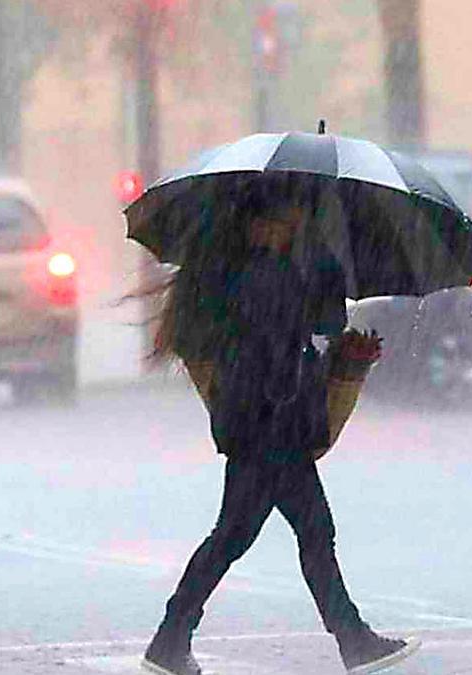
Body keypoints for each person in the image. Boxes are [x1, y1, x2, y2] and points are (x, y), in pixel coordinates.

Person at [140, 176, 420, 675]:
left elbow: (299, 337)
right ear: (266, 223)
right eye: (292, 214)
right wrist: (322, 280)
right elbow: (295, 344)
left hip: (259, 426)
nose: (298, 221)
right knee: (283, 533)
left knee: (251, 534)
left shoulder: (249, 274)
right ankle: (351, 641)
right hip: (271, 429)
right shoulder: (271, 276)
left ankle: (172, 638)